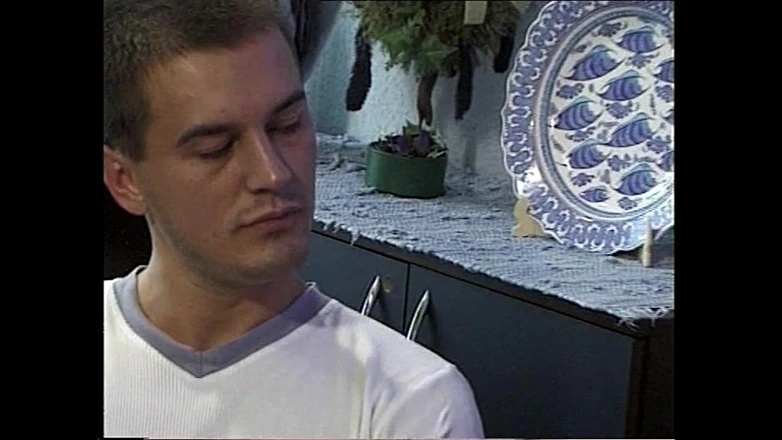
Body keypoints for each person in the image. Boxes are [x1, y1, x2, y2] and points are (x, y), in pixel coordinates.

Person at [102, 1, 484, 438]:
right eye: (215, 149)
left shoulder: (411, 401)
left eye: (287, 125)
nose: (273, 173)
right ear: (125, 180)